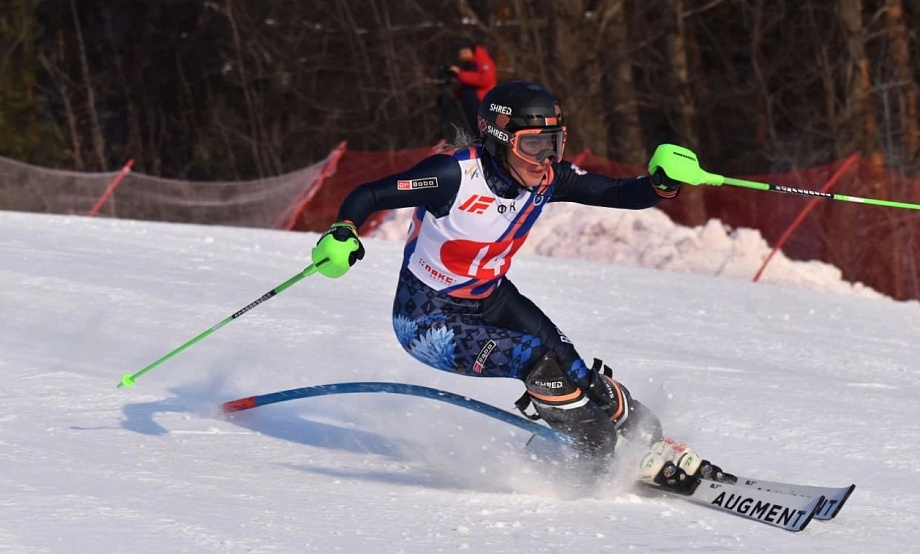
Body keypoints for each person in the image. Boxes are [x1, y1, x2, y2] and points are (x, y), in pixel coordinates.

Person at [311, 80, 730, 490]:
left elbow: (620, 192)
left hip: (490, 296)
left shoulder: (547, 179)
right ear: (499, 139)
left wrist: (662, 183)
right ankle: (598, 455)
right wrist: (343, 231)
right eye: (533, 145)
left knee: (571, 365)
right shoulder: (453, 174)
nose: (545, 158)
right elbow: (369, 194)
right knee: (535, 360)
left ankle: (653, 441)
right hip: (428, 318)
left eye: (555, 143)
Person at [449, 38, 497, 135]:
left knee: (483, 131)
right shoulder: (468, 64)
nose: (462, 56)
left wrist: (461, 74)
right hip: (470, 104)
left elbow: (485, 80)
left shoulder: (482, 60)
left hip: (481, 103)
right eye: (460, 54)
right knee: (473, 131)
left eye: (464, 52)